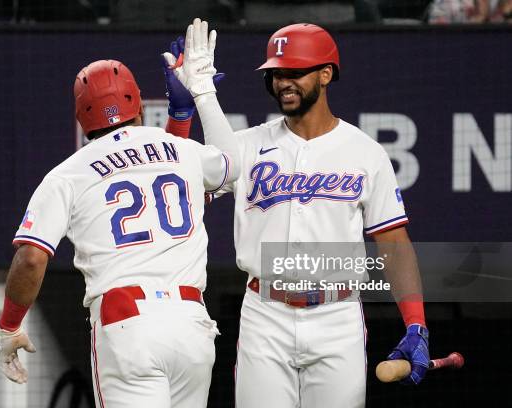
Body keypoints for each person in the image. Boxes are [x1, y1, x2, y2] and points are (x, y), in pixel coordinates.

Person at [163, 21, 429, 407]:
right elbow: (175, 190)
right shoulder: (246, 145)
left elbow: (393, 242)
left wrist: (416, 322)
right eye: (276, 73)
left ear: (326, 74)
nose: (283, 81)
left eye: (295, 72)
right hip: (265, 313)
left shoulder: (365, 151)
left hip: (337, 317)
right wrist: (183, 113)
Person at [0, 28, 240, 408]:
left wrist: (9, 325)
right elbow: (230, 166)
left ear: (81, 117)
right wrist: (199, 96)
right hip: (192, 324)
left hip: (127, 323)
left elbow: (31, 258)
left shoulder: (67, 174)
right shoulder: (181, 149)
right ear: (138, 105)